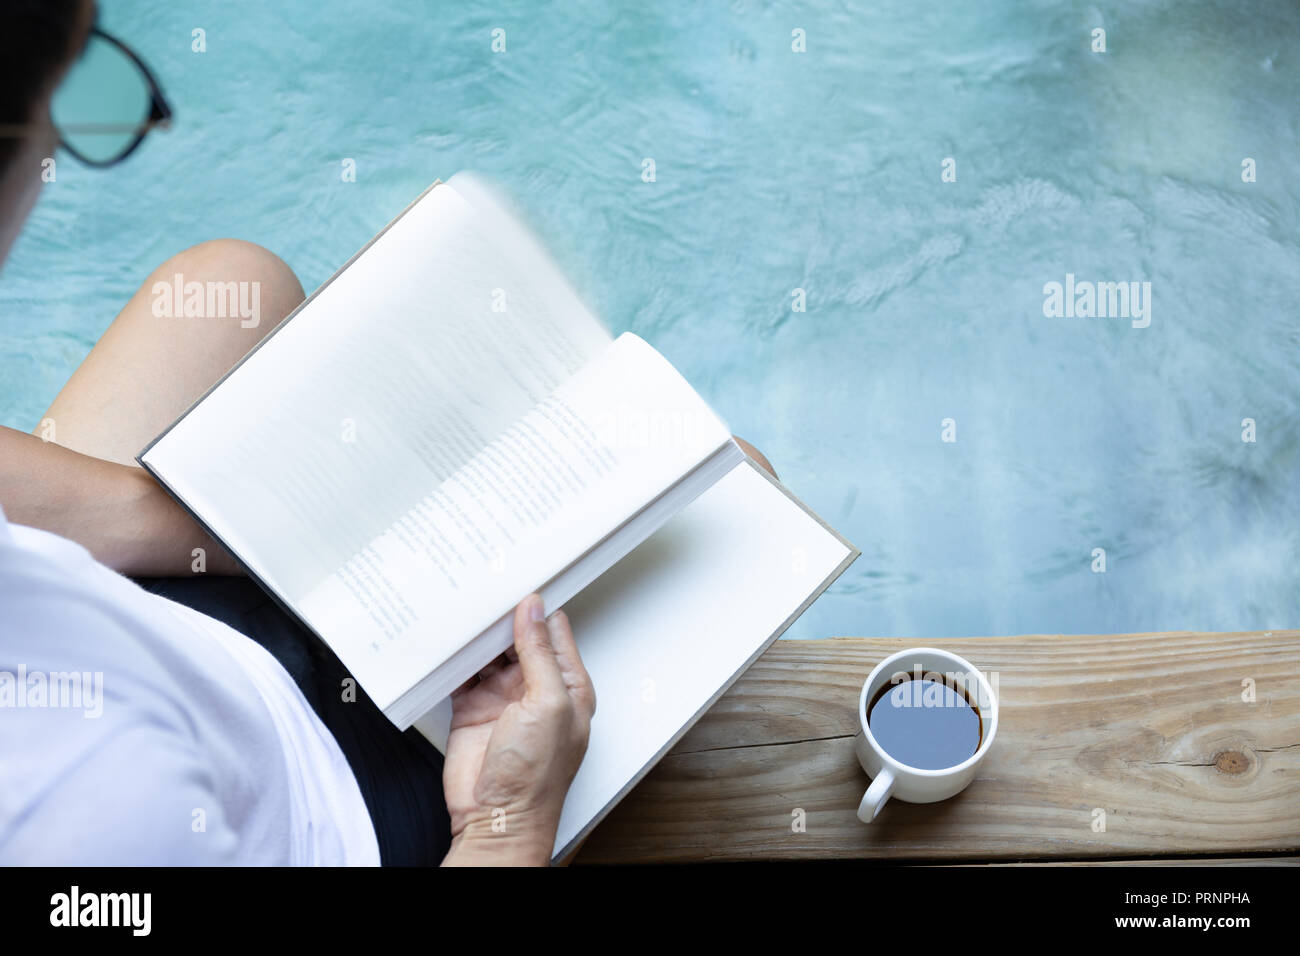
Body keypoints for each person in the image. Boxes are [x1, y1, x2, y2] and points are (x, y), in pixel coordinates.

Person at [0, 2, 772, 865]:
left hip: (160, 639)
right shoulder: (90, 811)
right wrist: (506, 822)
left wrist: (237, 540)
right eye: (70, 90)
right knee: (742, 495)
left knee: (229, 284)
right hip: (345, 810)